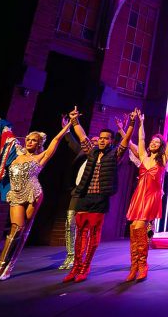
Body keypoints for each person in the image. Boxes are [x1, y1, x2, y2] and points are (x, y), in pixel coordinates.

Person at [0, 115, 72, 281]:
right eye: (28, 139)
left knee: (23, 230)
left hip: (33, 193)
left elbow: (55, 140)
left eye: (34, 140)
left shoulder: (40, 157)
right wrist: (1, 124)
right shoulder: (15, 154)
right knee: (16, 228)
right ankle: (1, 265)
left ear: (39, 144)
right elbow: (7, 137)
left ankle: (9, 266)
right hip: (16, 194)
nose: (30, 142)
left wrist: (67, 126)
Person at [63, 107, 135, 283]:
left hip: (100, 199)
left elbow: (125, 140)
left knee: (93, 235)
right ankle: (76, 266)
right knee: (80, 233)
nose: (102, 140)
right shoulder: (92, 152)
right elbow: (82, 136)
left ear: (111, 141)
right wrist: (74, 121)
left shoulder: (114, 154)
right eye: (100, 138)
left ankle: (85, 267)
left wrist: (132, 123)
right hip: (84, 197)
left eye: (106, 138)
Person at [124, 109, 168, 281]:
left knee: (139, 227)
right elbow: (141, 139)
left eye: (157, 142)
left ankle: (142, 265)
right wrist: (141, 122)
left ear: (160, 146)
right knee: (133, 228)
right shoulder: (143, 156)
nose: (154, 143)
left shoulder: (162, 159)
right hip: (139, 195)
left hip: (151, 196)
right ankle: (134, 266)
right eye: (153, 141)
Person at [59, 115, 98, 271]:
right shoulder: (82, 152)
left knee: (86, 227)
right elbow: (73, 142)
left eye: (97, 141)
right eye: (92, 141)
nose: (93, 143)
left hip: (92, 194)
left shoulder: (102, 157)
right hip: (77, 191)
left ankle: (81, 257)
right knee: (70, 223)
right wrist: (66, 129)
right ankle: (70, 256)